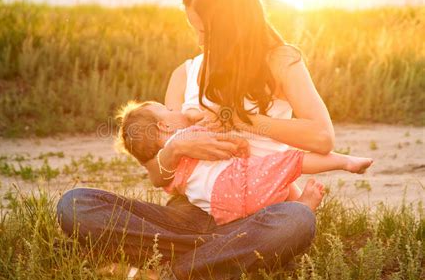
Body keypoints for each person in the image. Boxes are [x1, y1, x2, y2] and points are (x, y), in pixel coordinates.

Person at [57, 0, 347, 280]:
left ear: (232, 25)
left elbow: (323, 137)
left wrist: (247, 121)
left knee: (296, 220)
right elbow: (159, 177)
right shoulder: (184, 74)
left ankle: (172, 271)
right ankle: (215, 259)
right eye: (195, 30)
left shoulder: (282, 62)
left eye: (206, 32)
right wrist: (177, 149)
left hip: (255, 214)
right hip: (187, 218)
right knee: (75, 205)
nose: (199, 41)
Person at [116, 100, 372, 225]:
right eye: (170, 111)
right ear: (164, 125)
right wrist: (238, 142)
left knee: (274, 182)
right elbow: (216, 133)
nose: (177, 111)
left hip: (221, 211)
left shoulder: (169, 174)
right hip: (232, 184)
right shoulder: (184, 136)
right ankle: (344, 162)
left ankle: (298, 206)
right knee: (290, 162)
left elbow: (160, 178)